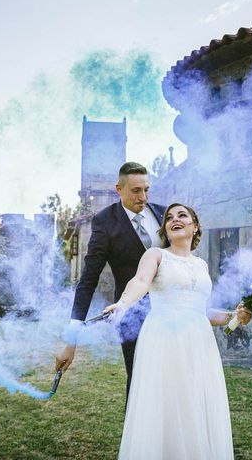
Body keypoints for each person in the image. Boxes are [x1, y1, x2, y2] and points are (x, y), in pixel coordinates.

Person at [103, 203, 250, 459]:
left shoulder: (202, 265)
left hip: (199, 342)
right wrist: (123, 303)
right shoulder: (156, 256)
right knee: (167, 405)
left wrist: (233, 316)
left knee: (195, 406)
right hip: (164, 339)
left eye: (182, 215)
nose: (174, 220)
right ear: (166, 229)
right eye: (169, 218)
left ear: (195, 226)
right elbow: (139, 282)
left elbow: (201, 310)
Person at [55, 161, 167, 401]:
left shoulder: (164, 213)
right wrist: (71, 339)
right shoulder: (104, 222)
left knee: (170, 387)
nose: (143, 197)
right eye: (136, 191)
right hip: (132, 317)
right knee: (140, 387)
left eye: (147, 189)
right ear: (119, 189)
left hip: (171, 313)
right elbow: (88, 279)